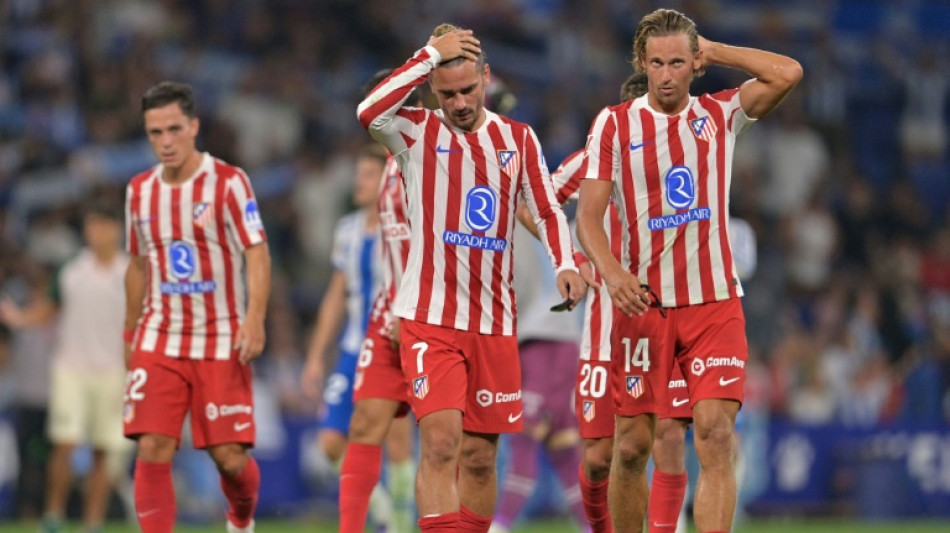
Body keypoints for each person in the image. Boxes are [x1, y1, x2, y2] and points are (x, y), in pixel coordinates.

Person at [576, 9, 801, 533]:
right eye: (657, 63)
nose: (667, 75)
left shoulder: (720, 114)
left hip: (713, 303)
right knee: (631, 448)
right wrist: (613, 273)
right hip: (644, 305)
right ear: (642, 62)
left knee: (716, 435)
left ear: (694, 64)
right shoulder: (614, 123)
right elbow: (588, 216)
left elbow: (787, 73)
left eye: (678, 62)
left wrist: (715, 50)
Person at [358, 23, 585, 532]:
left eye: (467, 89)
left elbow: (546, 208)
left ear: (486, 77)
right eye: (447, 94)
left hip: (495, 324)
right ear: (432, 89)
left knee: (481, 458)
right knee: (441, 442)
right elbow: (368, 112)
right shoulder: (415, 132)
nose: (459, 103)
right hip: (430, 318)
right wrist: (426, 55)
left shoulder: (517, 139)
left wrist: (566, 262)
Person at [123, 81, 271, 533]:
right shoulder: (139, 191)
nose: (165, 141)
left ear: (193, 127)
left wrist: (255, 319)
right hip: (160, 337)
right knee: (152, 446)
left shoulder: (228, 182)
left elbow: (257, 252)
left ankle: (240, 518)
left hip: (221, 337)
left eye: (173, 129)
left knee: (230, 459)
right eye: (155, 132)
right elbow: (137, 265)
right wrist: (130, 332)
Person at [5, 201, 132, 533]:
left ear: (115, 230)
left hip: (114, 371)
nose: (94, 233)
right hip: (71, 368)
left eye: (100, 225)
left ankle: (93, 522)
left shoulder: (130, 272)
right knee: (64, 443)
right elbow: (49, 310)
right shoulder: (71, 271)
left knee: (105, 450)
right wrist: (20, 318)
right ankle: (54, 515)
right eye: (90, 226)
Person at [334, 70, 421, 533]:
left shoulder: (433, 159)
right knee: (366, 423)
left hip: (432, 314)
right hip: (388, 314)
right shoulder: (387, 166)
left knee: (450, 442)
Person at [300, 142, 402, 531]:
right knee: (330, 442)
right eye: (358, 175)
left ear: (387, 181)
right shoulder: (347, 230)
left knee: (397, 445)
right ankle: (381, 505)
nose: (359, 182)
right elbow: (335, 296)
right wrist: (315, 356)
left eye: (368, 175)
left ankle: (399, 523)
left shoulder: (404, 226)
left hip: (395, 346)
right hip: (353, 347)